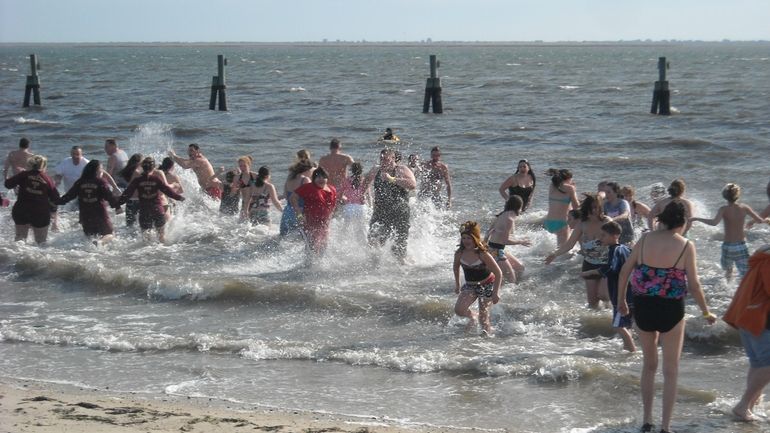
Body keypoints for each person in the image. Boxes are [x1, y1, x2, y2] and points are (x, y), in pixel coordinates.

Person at [617, 201, 717, 433]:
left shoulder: (644, 240)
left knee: (649, 366)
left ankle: (646, 420)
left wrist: (621, 301)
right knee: (670, 370)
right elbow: (694, 285)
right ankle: (665, 426)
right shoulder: (685, 246)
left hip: (643, 308)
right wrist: (705, 311)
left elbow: (625, 271)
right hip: (671, 310)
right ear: (682, 223)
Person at [723, 245, 770, 422]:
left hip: (746, 315)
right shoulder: (768, 260)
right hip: (758, 318)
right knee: (767, 364)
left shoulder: (762, 257)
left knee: (758, 363)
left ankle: (748, 406)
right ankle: (743, 405)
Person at [546, 193, 610, 309]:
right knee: (592, 303)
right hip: (589, 264)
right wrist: (554, 254)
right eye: (591, 208)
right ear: (586, 209)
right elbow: (569, 244)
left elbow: (616, 243)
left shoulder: (607, 222)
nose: (594, 210)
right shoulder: (582, 224)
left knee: (604, 295)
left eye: (596, 207)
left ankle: (611, 312)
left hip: (606, 264)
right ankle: (596, 325)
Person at [580, 221, 635, 352]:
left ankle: (632, 349)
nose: (600, 238)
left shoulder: (613, 250)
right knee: (626, 324)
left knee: (618, 325)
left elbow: (609, 269)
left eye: (603, 235)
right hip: (632, 293)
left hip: (620, 295)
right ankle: (628, 348)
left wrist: (590, 272)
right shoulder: (626, 249)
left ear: (615, 235)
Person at [690, 183, 765, 280]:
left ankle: (728, 289)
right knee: (745, 274)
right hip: (741, 246)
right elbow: (759, 220)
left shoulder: (723, 209)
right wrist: (766, 220)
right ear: (738, 195)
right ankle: (744, 292)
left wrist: (696, 218)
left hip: (728, 246)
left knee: (728, 272)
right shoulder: (744, 207)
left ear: (724, 196)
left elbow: (714, 223)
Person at [364, 148, 417, 263]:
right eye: (381, 159)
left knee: (398, 246)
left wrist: (392, 179)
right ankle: (376, 264)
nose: (383, 161)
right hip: (380, 211)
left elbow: (412, 184)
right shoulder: (376, 170)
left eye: (386, 159)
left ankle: (404, 267)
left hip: (400, 212)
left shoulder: (401, 169)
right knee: (373, 238)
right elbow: (366, 180)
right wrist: (364, 195)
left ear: (393, 159)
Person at [453, 221, 503, 335]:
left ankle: (486, 344)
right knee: (459, 310)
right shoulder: (459, 253)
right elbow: (456, 268)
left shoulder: (482, 254)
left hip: (488, 284)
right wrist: (457, 285)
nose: (466, 241)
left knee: (483, 319)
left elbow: (498, 273)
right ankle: (473, 317)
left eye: (469, 238)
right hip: (470, 285)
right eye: (464, 238)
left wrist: (496, 292)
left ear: (475, 238)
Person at [119, 157, 185, 243]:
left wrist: (117, 203)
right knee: (162, 237)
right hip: (158, 208)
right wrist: (179, 197)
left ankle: (147, 255)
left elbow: (127, 193)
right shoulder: (157, 177)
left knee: (146, 240)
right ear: (153, 167)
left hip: (144, 211)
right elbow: (167, 190)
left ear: (143, 167)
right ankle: (162, 253)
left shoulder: (138, 179)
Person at [56, 160, 122, 244]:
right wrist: (117, 207)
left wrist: (56, 201)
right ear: (97, 170)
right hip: (99, 214)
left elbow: (69, 196)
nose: (102, 172)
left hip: (85, 215)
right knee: (110, 234)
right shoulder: (100, 182)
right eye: (101, 169)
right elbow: (109, 196)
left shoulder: (80, 182)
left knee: (89, 238)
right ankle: (100, 243)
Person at [4, 155, 60, 244]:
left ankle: (15, 257)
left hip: (21, 210)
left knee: (19, 240)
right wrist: (53, 212)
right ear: (44, 166)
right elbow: (56, 199)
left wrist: (6, 172)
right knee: (41, 243)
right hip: (40, 213)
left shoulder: (23, 174)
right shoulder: (47, 179)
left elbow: (8, 185)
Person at [290, 167, 337, 255]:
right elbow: (293, 197)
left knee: (324, 246)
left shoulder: (332, 189)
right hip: (310, 221)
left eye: (323, 177)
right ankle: (309, 266)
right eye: (318, 177)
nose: (321, 179)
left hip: (324, 223)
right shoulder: (309, 187)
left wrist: (330, 218)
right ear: (314, 179)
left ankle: (320, 266)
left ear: (327, 178)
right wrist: (299, 214)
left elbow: (333, 206)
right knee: (312, 246)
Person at [485, 195, 531, 283]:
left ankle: (502, 284)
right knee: (511, 280)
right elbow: (504, 241)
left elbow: (489, 232)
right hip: (496, 252)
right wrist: (521, 242)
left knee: (520, 268)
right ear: (519, 207)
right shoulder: (510, 219)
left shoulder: (501, 215)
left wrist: (519, 238)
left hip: (493, 249)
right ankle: (503, 292)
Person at [543, 168, 580, 247]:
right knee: (562, 253)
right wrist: (574, 191)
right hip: (562, 223)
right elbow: (576, 207)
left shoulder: (552, 186)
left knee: (552, 248)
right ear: (569, 178)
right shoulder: (570, 188)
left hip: (548, 222)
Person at [280, 158, 314, 237]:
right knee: (302, 239)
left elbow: (285, 195)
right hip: (299, 213)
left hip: (287, 212)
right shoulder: (305, 180)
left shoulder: (289, 178)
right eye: (311, 171)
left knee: (283, 238)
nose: (312, 174)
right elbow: (310, 198)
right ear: (307, 170)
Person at [339, 162, 370, 242]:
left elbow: (339, 194)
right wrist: (370, 206)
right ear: (361, 170)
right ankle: (364, 244)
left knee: (346, 228)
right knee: (362, 228)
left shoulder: (346, 180)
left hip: (349, 207)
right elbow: (368, 196)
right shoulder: (365, 180)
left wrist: (345, 199)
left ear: (351, 170)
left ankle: (342, 244)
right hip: (361, 208)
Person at [117, 153, 143, 228]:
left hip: (130, 201)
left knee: (130, 225)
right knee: (140, 224)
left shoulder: (130, 171)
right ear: (138, 162)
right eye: (142, 161)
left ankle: (128, 239)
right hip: (137, 200)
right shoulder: (137, 172)